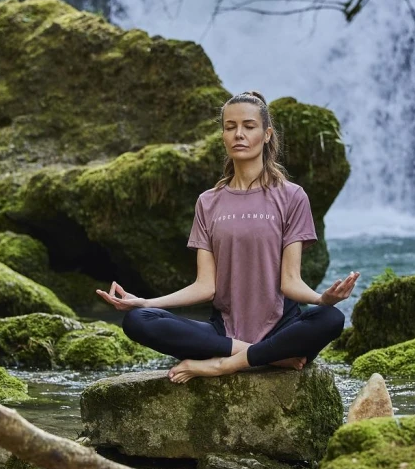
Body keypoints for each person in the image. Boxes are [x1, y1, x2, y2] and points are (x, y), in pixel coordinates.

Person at [96, 90, 360, 383]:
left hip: (283, 327)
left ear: (267, 134)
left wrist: (322, 298)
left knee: (331, 318)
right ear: (222, 135)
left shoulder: (291, 196)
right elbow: (205, 286)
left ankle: (222, 365)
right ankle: (266, 355)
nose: (239, 134)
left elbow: (290, 282)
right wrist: (144, 302)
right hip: (224, 331)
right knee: (137, 321)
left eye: (249, 126)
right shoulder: (208, 202)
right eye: (230, 127)